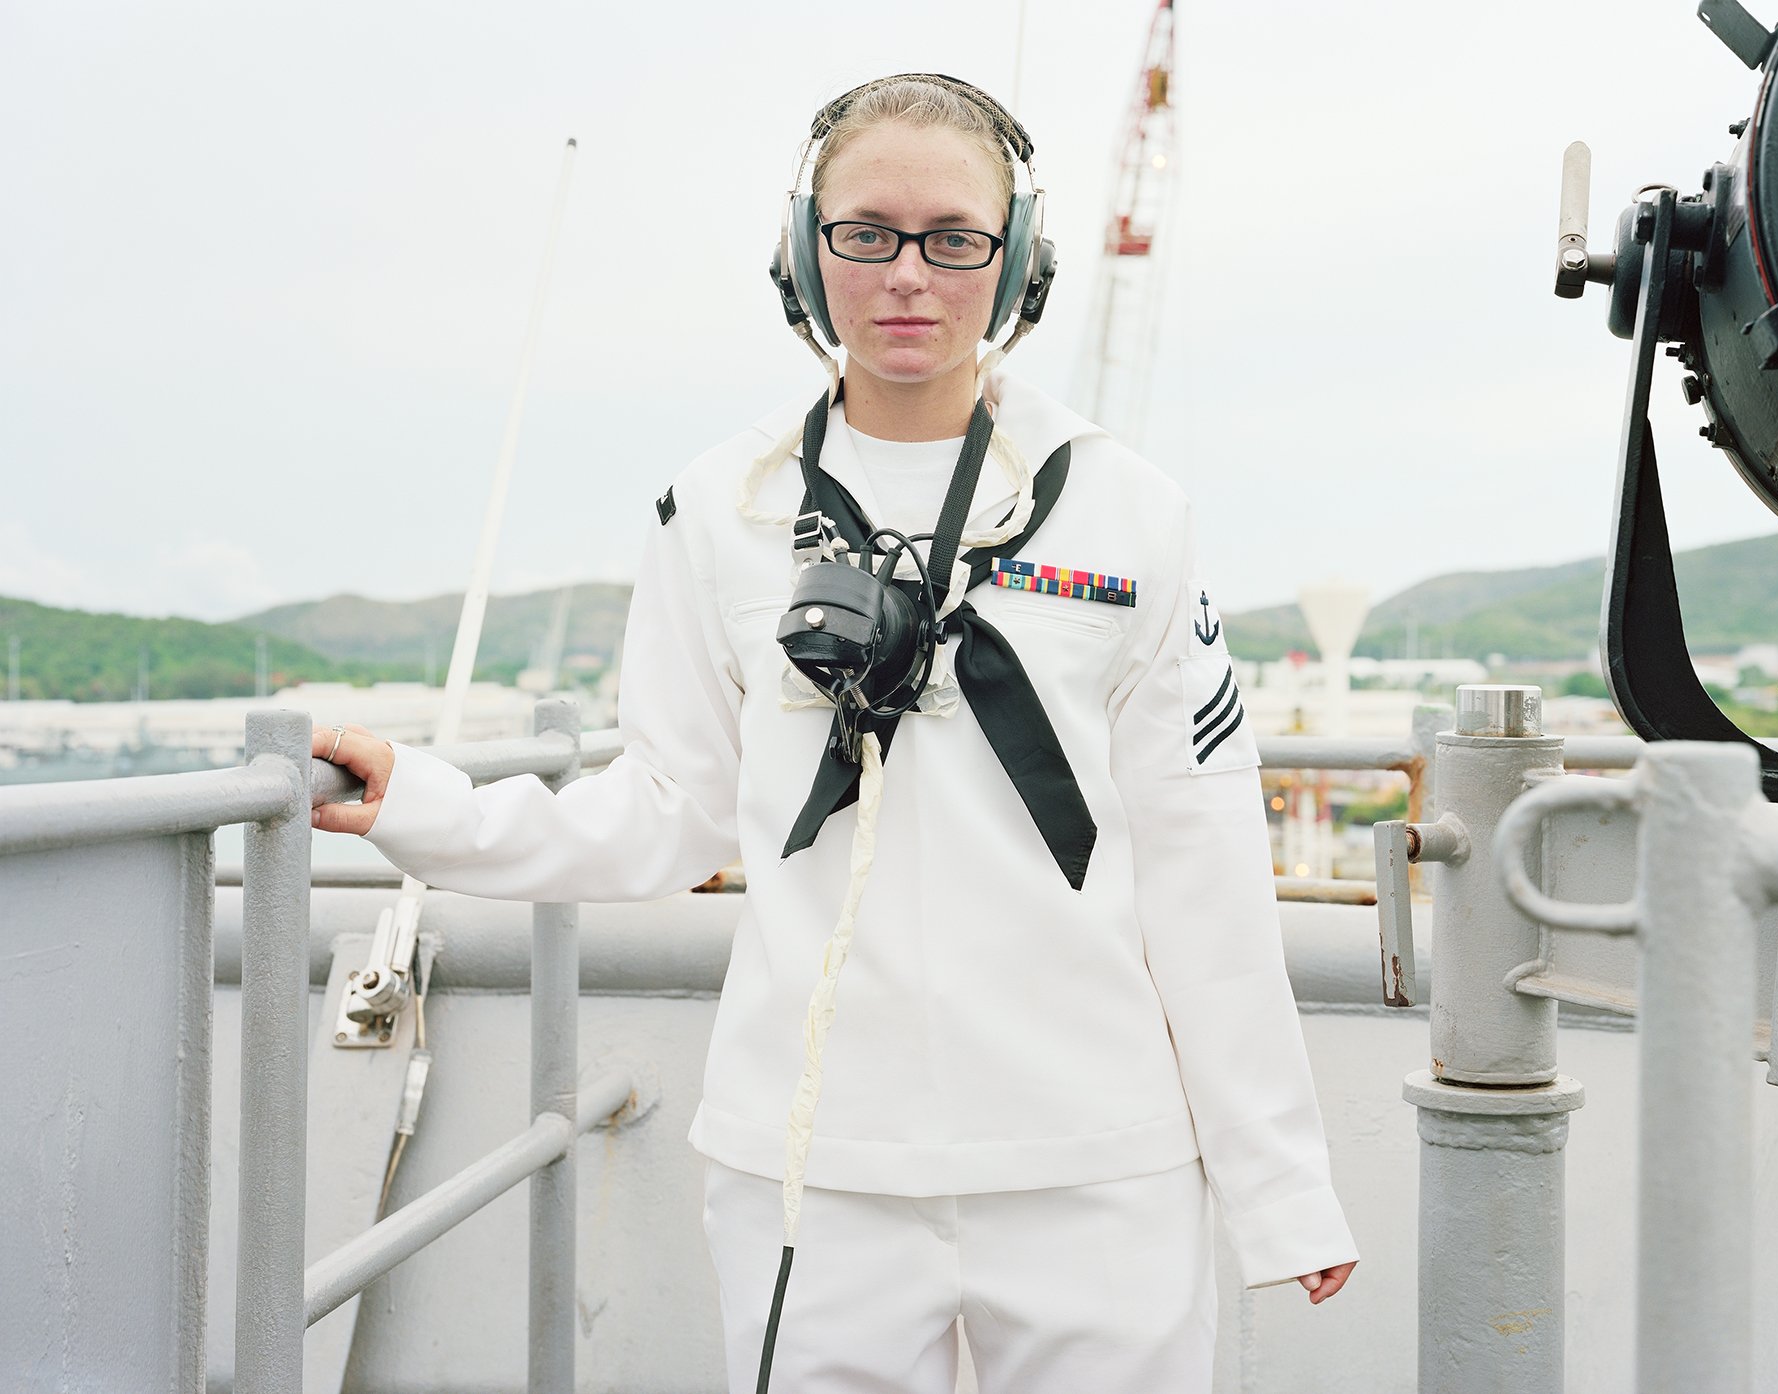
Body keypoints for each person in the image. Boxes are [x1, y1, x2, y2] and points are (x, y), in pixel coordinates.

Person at [312, 73, 1358, 1393]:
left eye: (953, 237)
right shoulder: (719, 509)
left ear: (1018, 258)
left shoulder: (1127, 514)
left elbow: (1206, 858)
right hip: (811, 1165)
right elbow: (663, 814)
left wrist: (1280, 1184)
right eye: (865, 232)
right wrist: (425, 804)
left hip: (1094, 1158)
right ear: (803, 245)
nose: (906, 275)